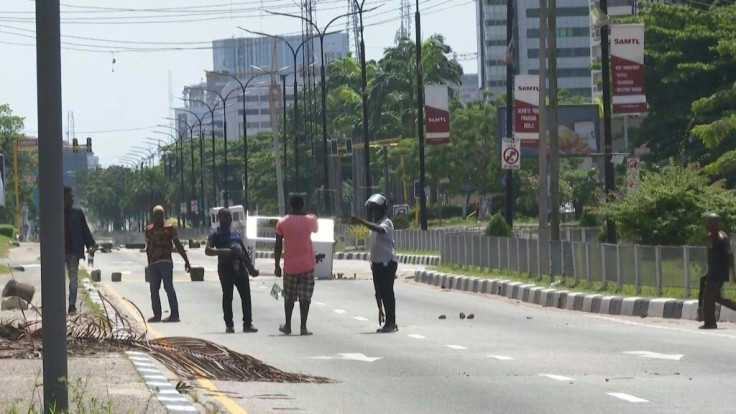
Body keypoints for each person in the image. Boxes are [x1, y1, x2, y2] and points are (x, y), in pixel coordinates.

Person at [206, 208, 259, 333]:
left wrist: (250, 268)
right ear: (220, 218)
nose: (229, 219)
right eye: (226, 217)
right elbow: (208, 250)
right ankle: (229, 324)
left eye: (230, 216)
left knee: (246, 296)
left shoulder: (236, 232)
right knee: (228, 296)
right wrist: (224, 251)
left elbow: (243, 251)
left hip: (240, 267)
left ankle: (248, 324)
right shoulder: (215, 234)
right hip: (226, 269)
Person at [352, 193, 399, 333]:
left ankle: (391, 323)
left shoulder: (386, 222)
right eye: (372, 210)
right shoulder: (376, 223)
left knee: (387, 293)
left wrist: (361, 221)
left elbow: (380, 230)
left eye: (376, 209)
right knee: (380, 293)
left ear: (383, 210)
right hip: (377, 264)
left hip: (387, 263)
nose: (374, 212)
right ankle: (386, 319)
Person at [274, 194, 319, 336]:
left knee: (289, 297)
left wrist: (276, 265)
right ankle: (303, 327)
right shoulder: (311, 220)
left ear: (290, 205)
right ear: (303, 204)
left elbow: (277, 245)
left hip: (290, 266)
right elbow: (315, 229)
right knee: (305, 297)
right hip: (307, 265)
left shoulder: (282, 222)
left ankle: (287, 325)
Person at [145, 205, 190, 323]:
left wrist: (186, 261)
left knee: (168, 287)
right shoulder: (149, 229)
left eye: (161, 214)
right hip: (153, 264)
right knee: (154, 289)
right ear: (153, 216)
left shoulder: (169, 228)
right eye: (157, 215)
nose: (159, 217)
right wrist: (149, 263)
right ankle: (157, 315)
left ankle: (174, 314)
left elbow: (178, 244)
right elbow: (148, 247)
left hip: (166, 262)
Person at [699, 213, 736, 329]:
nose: (707, 224)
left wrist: (733, 272)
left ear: (716, 224)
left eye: (710, 222)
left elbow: (730, 256)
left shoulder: (721, 237)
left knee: (708, 297)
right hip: (713, 270)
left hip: (719, 272)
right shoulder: (711, 236)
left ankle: (710, 323)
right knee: (718, 298)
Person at [64, 186, 97, 314]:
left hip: (73, 252)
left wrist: (91, 245)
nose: (71, 200)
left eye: (72, 197)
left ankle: (72, 305)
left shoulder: (77, 214)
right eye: (68, 197)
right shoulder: (55, 214)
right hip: (57, 253)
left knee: (73, 279)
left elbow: (85, 231)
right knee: (58, 280)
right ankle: (58, 304)